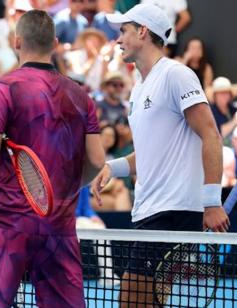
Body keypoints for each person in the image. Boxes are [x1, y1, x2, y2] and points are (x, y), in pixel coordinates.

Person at [0, 9, 105, 307]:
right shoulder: (81, 96)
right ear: (54, 42)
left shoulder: (3, 88)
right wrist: (60, 191)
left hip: (9, 226)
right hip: (59, 227)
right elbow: (96, 160)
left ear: (16, 42)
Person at [94, 4, 229, 306]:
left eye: (123, 31)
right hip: (149, 212)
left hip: (173, 212)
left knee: (130, 302)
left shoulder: (176, 75)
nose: (118, 40)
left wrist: (211, 201)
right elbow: (148, 153)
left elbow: (211, 135)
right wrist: (110, 169)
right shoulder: (139, 88)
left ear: (142, 31)